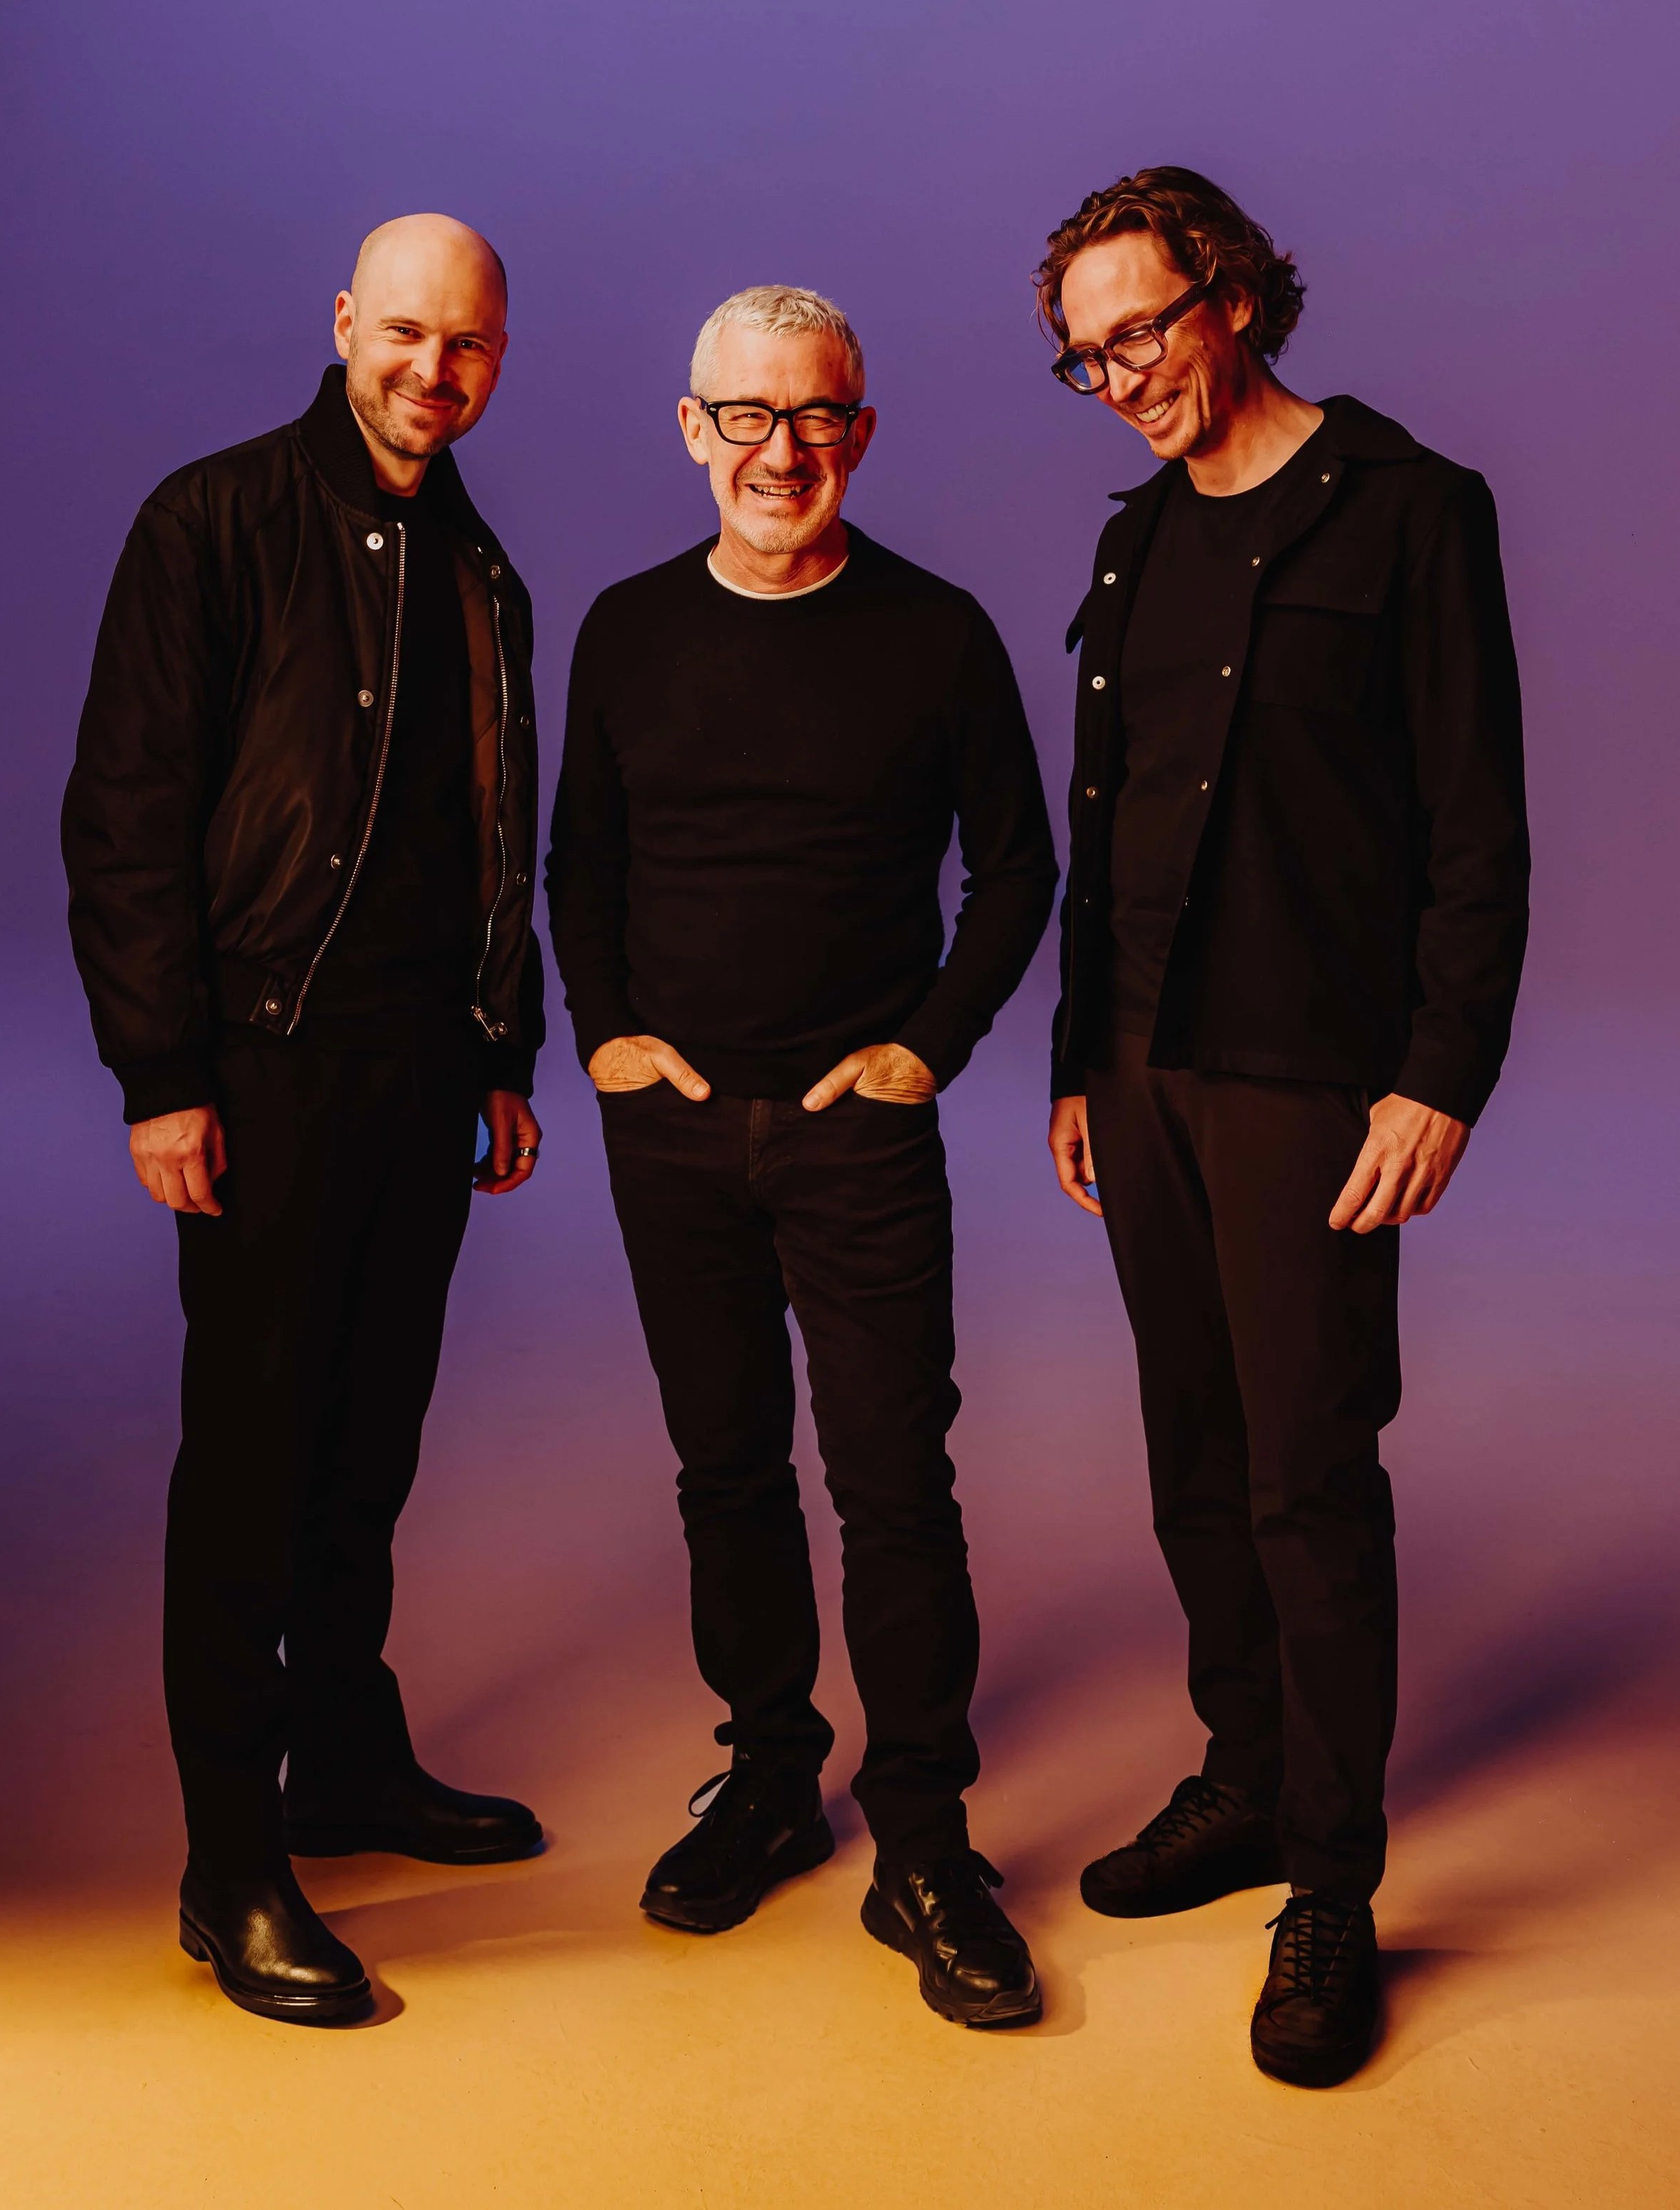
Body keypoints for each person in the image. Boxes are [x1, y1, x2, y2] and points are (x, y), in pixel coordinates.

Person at [1035, 169, 1529, 2086]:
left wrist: (1439, 1067)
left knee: (1308, 1471)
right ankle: (1241, 1768)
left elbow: (1475, 822)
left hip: (1313, 1068)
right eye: (1083, 358)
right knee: (1192, 1440)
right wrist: (1080, 1053)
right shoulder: (1135, 540)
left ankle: (1330, 1875)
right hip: (1145, 1067)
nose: (1118, 377)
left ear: (1231, 294)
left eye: (1138, 329)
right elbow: (1107, 820)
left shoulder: (1410, 510)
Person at [547, 285, 1057, 2029]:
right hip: (674, 1136)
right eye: (746, 419)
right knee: (724, 1474)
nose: (782, 452)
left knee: (895, 1485)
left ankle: (922, 1840)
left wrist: (927, 1047)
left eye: (815, 417)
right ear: (691, 429)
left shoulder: (938, 634)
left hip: (857, 1138)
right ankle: (768, 1774)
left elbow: (1016, 874)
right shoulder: (622, 630)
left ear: (861, 429)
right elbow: (580, 865)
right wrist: (603, 1035)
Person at [62, 214, 547, 2025]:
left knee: (369, 1445)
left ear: (503, 358)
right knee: (253, 1463)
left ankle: (346, 1759)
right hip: (259, 1062)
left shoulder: (483, 567)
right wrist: (160, 1074)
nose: (436, 372)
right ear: (344, 324)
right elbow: (124, 812)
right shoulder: (214, 520)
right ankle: (230, 1863)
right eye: (406, 334)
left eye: (470, 347)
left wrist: (506, 1043)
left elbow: (491, 829)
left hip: (422, 1070)